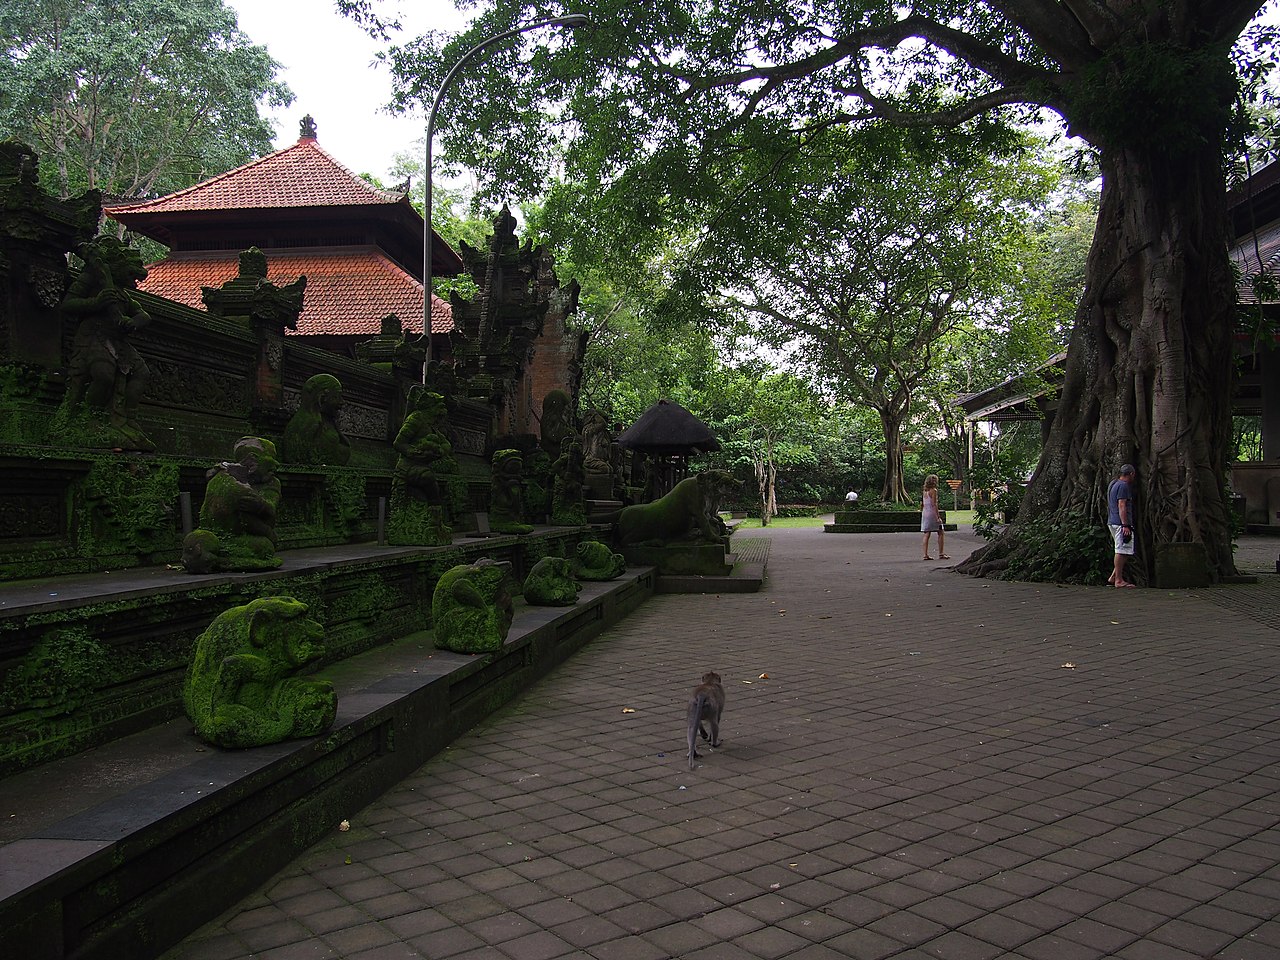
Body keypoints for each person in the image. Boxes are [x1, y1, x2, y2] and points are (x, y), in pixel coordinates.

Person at [1107, 463, 1137, 588]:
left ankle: (1114, 576)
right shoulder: (1124, 486)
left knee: (1124, 549)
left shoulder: (1113, 484)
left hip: (1113, 522)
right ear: (1131, 474)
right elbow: (1122, 505)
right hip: (1120, 523)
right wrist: (1125, 525)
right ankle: (1118, 580)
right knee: (1121, 550)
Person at [921, 474, 948, 560]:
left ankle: (925, 554)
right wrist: (937, 517)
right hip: (932, 513)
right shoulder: (934, 490)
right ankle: (941, 553)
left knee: (926, 533)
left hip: (925, 513)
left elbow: (923, 503)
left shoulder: (925, 491)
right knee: (941, 532)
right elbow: (934, 504)